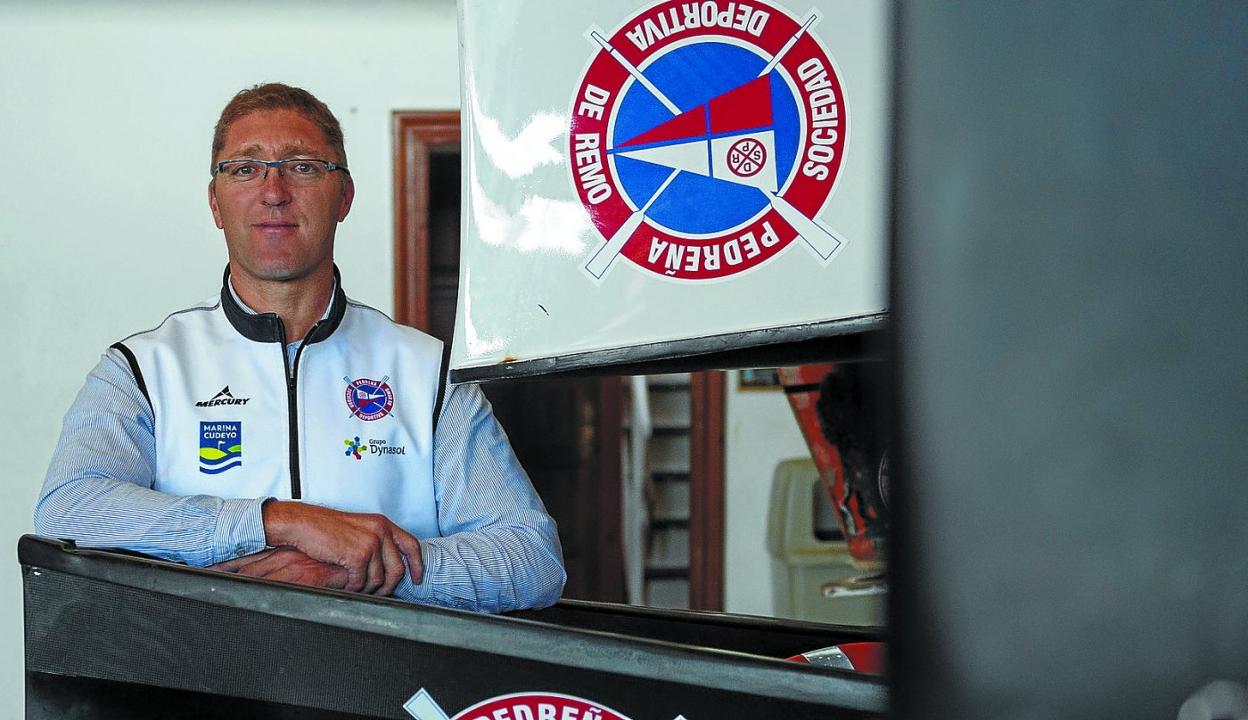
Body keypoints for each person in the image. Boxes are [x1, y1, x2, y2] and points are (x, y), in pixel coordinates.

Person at [34, 83, 565, 613]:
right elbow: (69, 510)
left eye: (304, 167)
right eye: (245, 168)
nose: (274, 191)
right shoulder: (143, 370)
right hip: (204, 665)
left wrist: (357, 572)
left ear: (345, 197)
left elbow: (532, 559)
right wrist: (278, 522)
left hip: (381, 667)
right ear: (216, 202)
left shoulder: (428, 374)